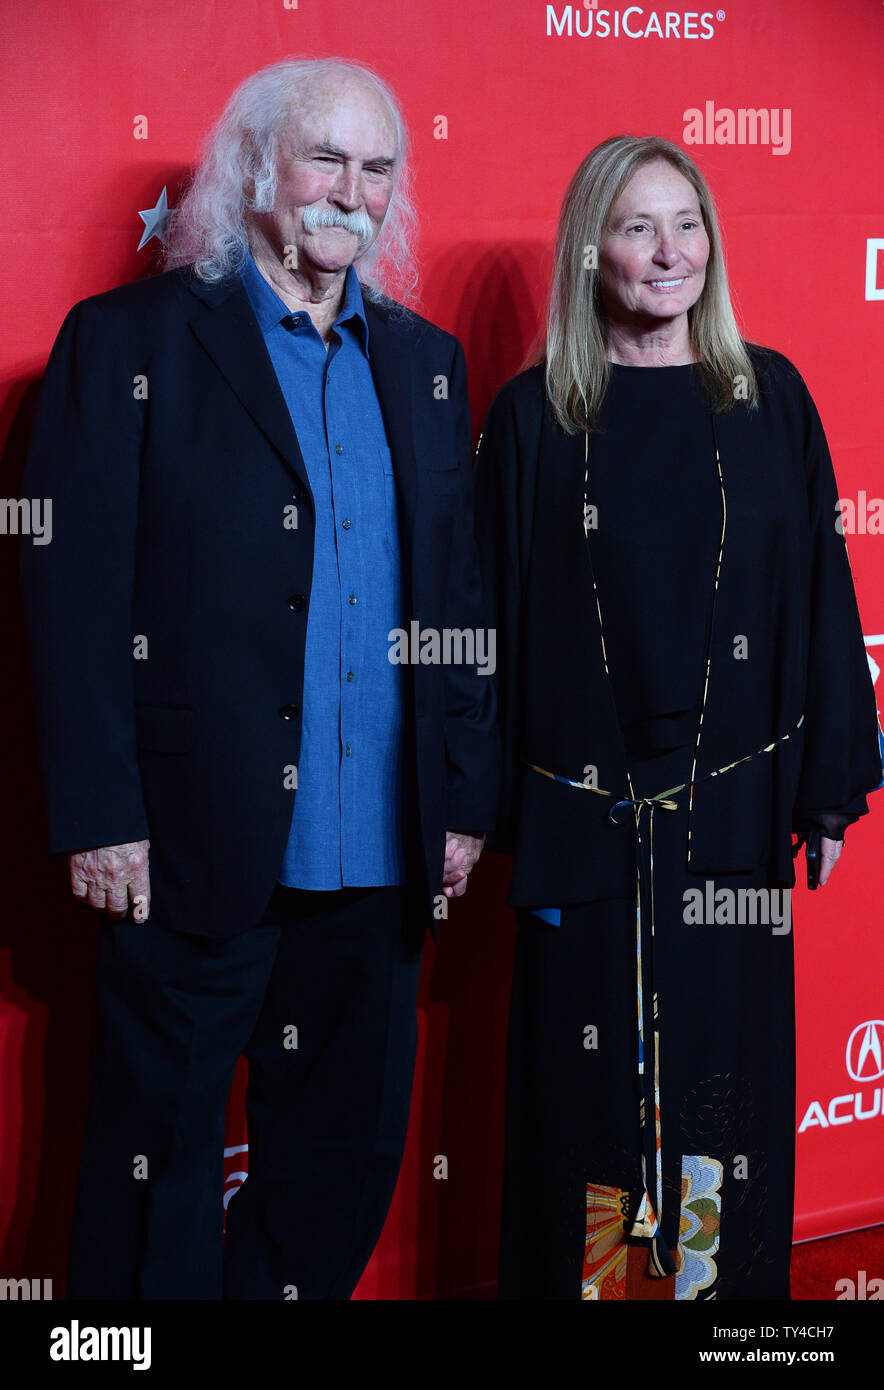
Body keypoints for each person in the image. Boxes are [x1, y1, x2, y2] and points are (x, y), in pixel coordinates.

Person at [20, 56, 497, 1300]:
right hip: (186, 840)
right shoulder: (129, 344)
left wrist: (456, 790)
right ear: (254, 174)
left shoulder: (426, 364)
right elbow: (68, 601)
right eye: (324, 159)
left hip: (375, 853)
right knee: (149, 1166)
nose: (353, 189)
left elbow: (455, 603)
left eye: (376, 166)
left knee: (336, 1158)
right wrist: (99, 814)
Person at [474, 135, 881, 1301]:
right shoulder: (533, 419)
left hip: (734, 825)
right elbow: (488, 629)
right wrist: (472, 813)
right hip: (583, 835)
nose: (669, 252)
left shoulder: (769, 396)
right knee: (597, 1107)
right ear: (588, 249)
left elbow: (818, 594)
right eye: (638, 227)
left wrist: (824, 785)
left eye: (687, 224)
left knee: (715, 1094)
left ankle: (704, 1307)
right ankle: (615, 1296)